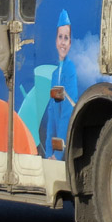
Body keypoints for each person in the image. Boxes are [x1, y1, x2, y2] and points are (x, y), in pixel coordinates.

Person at [44, 9, 78, 160]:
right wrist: (48, 152)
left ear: (70, 43)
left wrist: (58, 154)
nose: (63, 42)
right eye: (60, 37)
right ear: (56, 40)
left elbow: (67, 113)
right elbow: (52, 114)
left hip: (64, 146)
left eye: (66, 38)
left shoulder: (70, 70)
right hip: (55, 148)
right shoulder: (54, 74)